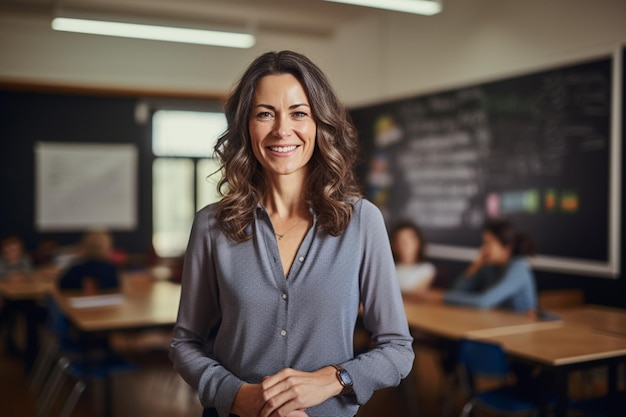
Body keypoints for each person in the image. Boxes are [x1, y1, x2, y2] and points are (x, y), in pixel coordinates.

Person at [169, 50, 414, 417]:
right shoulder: (211, 226)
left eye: (299, 113)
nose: (282, 130)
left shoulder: (362, 221)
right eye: (265, 113)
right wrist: (239, 396)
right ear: (246, 126)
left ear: (319, 124)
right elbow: (185, 343)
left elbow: (398, 349)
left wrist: (334, 379)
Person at [414, 218, 538, 315]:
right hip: (496, 325)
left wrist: (441, 296)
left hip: (519, 332)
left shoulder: (518, 268)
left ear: (506, 248)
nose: (483, 249)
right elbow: (457, 292)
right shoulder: (490, 266)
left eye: (488, 243)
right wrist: (475, 266)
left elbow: (483, 302)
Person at [390, 221, 436, 296]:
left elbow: (415, 293)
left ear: (418, 243)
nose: (404, 246)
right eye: (400, 241)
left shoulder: (427, 269)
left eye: (408, 241)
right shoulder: (388, 268)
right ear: (394, 245)